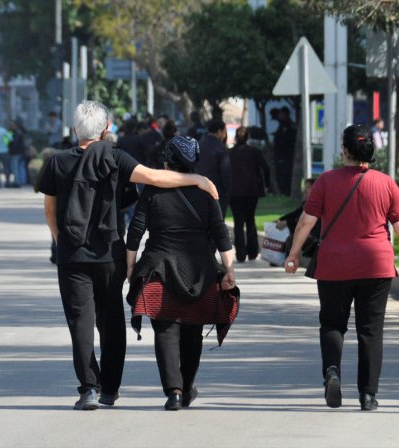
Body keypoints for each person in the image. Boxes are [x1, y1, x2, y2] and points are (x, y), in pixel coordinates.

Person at [38, 100, 218, 411]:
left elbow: (49, 209)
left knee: (80, 323)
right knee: (110, 321)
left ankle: (88, 389)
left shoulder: (57, 162)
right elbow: (155, 178)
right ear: (106, 129)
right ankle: (109, 389)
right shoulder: (115, 156)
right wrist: (197, 179)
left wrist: (60, 241)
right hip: (110, 254)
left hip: (72, 258)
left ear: (74, 129)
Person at [284, 125, 399, 411]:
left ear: (344, 150)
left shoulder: (326, 181)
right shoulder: (386, 183)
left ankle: (332, 371)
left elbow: (306, 222)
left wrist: (294, 254)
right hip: (376, 265)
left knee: (333, 323)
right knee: (370, 330)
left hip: (334, 265)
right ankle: (368, 395)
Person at [125, 135, 236, 411]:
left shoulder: (152, 191)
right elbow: (221, 235)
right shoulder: (206, 190)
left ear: (167, 159)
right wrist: (229, 270)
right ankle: (186, 388)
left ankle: (173, 391)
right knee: (192, 331)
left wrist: (130, 267)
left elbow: (135, 232)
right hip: (199, 271)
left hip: (158, 268)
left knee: (165, 330)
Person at [229, 127, 270, 262]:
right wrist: (266, 184)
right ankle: (252, 251)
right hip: (252, 190)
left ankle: (240, 253)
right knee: (250, 219)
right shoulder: (254, 152)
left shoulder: (230, 153)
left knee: (238, 221)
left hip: (234, 190)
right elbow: (265, 167)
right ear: (248, 137)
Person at [276, 178, 321, 258]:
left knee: (291, 239)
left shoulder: (317, 204)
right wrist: (280, 220)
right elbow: (295, 214)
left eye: (308, 187)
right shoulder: (306, 203)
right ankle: (280, 260)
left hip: (313, 236)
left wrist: (287, 223)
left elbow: (306, 222)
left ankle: (290, 262)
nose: (305, 190)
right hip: (305, 232)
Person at [197, 119, 232, 217]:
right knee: (218, 221)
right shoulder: (220, 147)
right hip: (217, 190)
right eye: (224, 132)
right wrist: (227, 191)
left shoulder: (199, 145)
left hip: (199, 188)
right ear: (219, 131)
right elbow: (226, 172)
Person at [273, 107, 296, 195]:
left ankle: (286, 192)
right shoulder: (282, 125)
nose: (279, 116)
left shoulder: (289, 125)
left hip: (286, 156)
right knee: (281, 175)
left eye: (282, 114)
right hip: (281, 156)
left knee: (286, 175)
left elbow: (287, 141)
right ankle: (283, 191)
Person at [7, 120, 27, 188]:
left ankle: (17, 182)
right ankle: (17, 181)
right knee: (16, 168)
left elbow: (14, 144)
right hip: (17, 152)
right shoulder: (11, 132)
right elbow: (6, 142)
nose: (10, 126)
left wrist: (10, 152)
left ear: (15, 125)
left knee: (15, 168)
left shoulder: (17, 133)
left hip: (16, 153)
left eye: (11, 125)